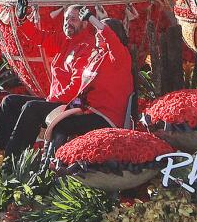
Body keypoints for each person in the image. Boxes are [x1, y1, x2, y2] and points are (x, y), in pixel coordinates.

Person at [0, 4, 95, 157]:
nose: (67, 22)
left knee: (32, 107)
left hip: (72, 104)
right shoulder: (65, 40)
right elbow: (40, 37)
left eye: (73, 19)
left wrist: (51, 99)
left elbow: (76, 87)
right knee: (9, 102)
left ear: (85, 23)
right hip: (56, 100)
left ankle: (11, 160)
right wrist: (22, 19)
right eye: (66, 19)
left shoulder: (87, 46)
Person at [43, 10, 134, 155]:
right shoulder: (97, 57)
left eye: (100, 32)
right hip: (89, 110)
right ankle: (49, 163)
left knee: (62, 126)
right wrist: (68, 109)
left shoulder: (119, 57)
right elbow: (84, 91)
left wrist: (91, 18)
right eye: (96, 31)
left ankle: (51, 167)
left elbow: (108, 36)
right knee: (55, 120)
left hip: (107, 117)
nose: (97, 34)